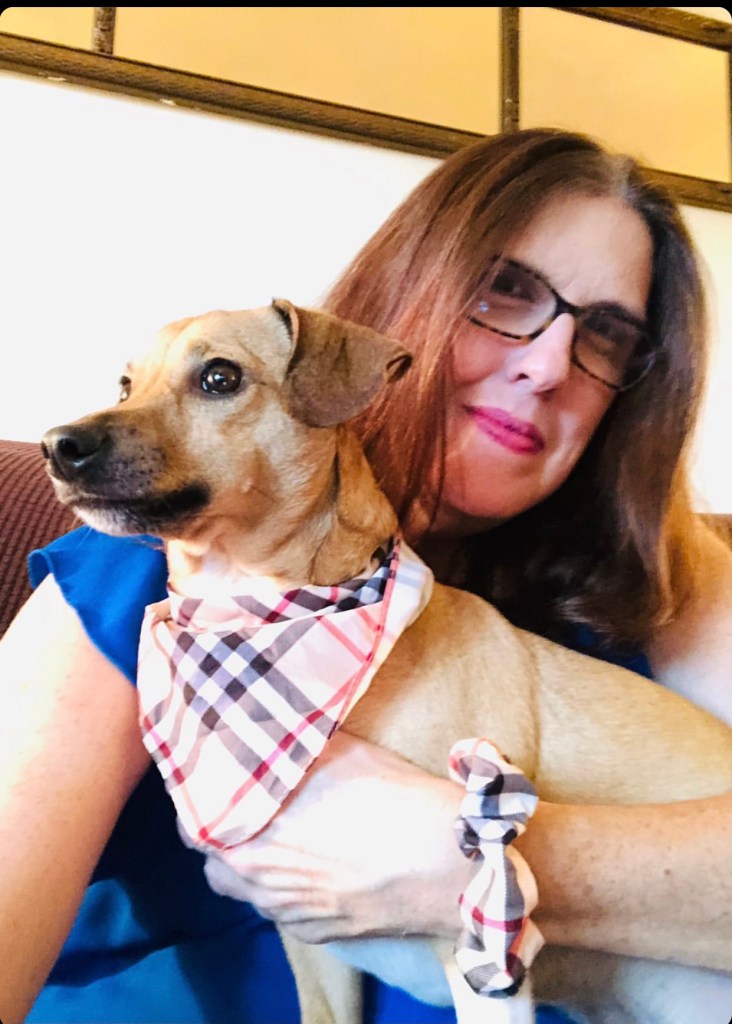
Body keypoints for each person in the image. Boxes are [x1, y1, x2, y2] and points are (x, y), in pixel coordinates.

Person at [1, 128, 730, 1024]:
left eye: (607, 337)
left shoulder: (661, 577)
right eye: (505, 292)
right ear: (407, 292)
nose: (545, 366)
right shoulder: (160, 564)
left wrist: (473, 863)